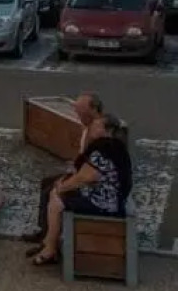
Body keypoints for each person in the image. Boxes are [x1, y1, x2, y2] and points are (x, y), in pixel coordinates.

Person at [31, 112, 132, 266]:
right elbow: (84, 173)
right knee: (55, 189)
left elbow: (86, 177)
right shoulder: (112, 146)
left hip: (103, 202)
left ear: (108, 131)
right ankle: (48, 241)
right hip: (105, 197)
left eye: (97, 126)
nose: (92, 127)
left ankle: (50, 248)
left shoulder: (105, 149)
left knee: (57, 199)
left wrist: (62, 187)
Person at [25, 92, 103, 245]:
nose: (78, 116)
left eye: (81, 113)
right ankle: (44, 231)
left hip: (89, 182)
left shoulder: (97, 132)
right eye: (78, 112)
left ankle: (49, 240)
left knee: (52, 190)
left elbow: (91, 171)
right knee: (46, 183)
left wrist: (68, 179)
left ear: (94, 110)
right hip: (80, 172)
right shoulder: (87, 126)